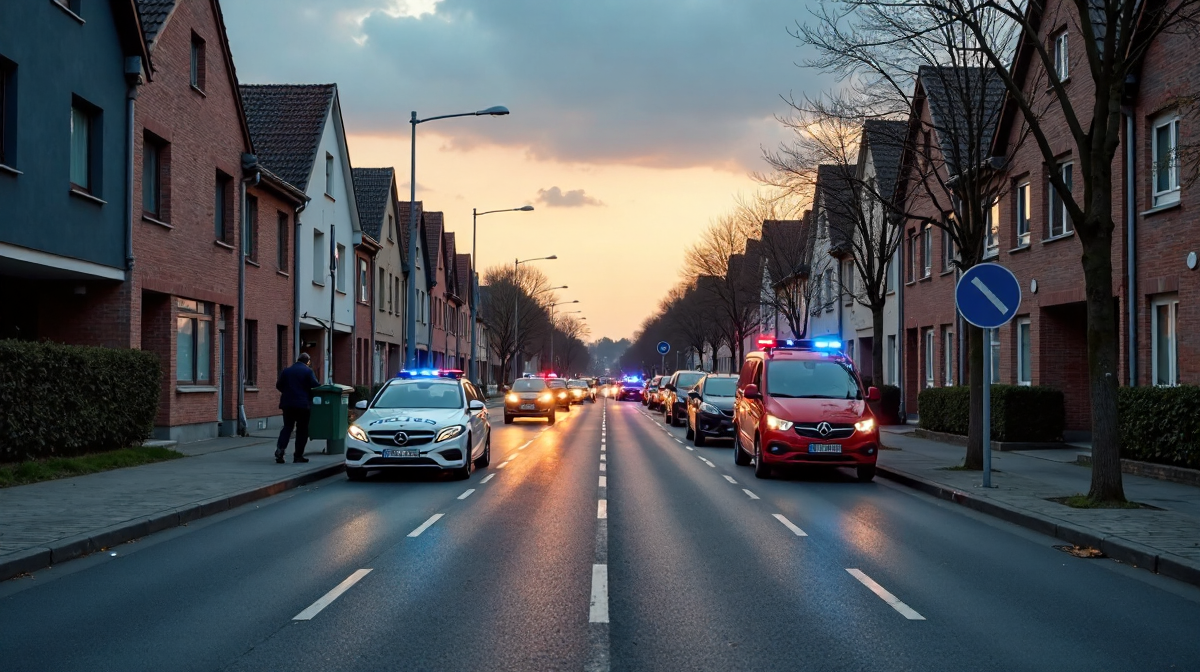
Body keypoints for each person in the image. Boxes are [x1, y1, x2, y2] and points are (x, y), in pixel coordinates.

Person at [276, 352, 320, 463]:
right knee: (302, 430)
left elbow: (278, 385)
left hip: (287, 404)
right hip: (302, 405)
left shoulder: (286, 371)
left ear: (297, 360)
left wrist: (287, 393)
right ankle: (298, 455)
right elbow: (315, 386)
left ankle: (280, 449)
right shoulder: (308, 371)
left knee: (287, 427)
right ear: (308, 361)